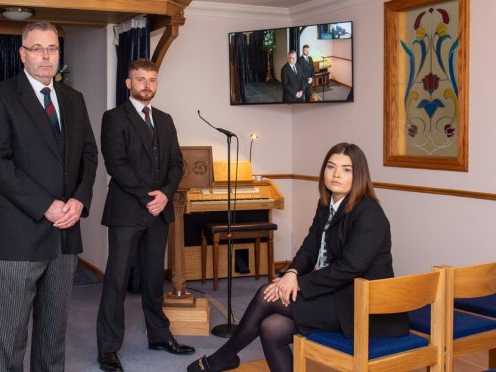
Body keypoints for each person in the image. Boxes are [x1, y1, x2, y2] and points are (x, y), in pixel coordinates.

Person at [187, 143, 409, 372]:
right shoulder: (327, 204)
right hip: (336, 295)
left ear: (359, 174)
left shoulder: (369, 212)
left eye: (346, 169)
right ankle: (224, 358)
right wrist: (292, 272)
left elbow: (350, 267)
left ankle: (222, 358)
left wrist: (298, 283)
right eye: (331, 167)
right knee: (272, 327)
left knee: (267, 295)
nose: (336, 174)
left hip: (365, 308)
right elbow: (310, 247)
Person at [0, 21, 98, 371]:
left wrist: (79, 199)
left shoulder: (73, 100)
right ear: (23, 54)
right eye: (38, 49)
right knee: (9, 337)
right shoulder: (0, 97)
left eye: (52, 49)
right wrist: (46, 206)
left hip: (65, 236)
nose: (46, 56)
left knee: (52, 335)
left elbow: (89, 155)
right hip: (21, 235)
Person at [96, 58, 194, 372]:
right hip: (126, 211)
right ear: (129, 83)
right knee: (117, 281)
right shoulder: (113, 118)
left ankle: (160, 336)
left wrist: (165, 194)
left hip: (159, 211)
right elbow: (116, 164)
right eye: (140, 79)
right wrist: (147, 197)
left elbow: (177, 163)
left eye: (152, 80)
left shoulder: (165, 120)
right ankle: (108, 349)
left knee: (154, 280)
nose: (146, 85)